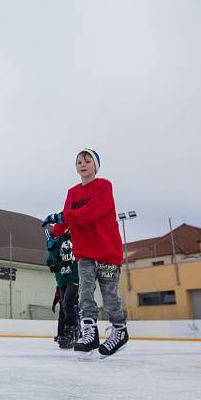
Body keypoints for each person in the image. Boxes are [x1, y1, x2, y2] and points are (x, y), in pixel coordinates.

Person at [43, 149, 129, 359]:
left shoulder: (104, 186)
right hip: (84, 253)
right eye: (79, 161)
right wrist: (54, 232)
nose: (82, 164)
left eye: (87, 161)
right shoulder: (72, 193)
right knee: (85, 294)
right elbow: (67, 219)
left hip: (107, 251)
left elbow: (90, 213)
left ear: (95, 166)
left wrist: (63, 216)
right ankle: (90, 332)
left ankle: (120, 330)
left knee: (109, 297)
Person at [45, 229, 79, 348]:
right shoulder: (57, 239)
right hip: (62, 278)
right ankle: (73, 331)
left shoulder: (77, 235)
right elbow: (51, 254)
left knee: (69, 302)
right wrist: (52, 262)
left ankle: (70, 332)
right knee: (66, 305)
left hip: (75, 276)